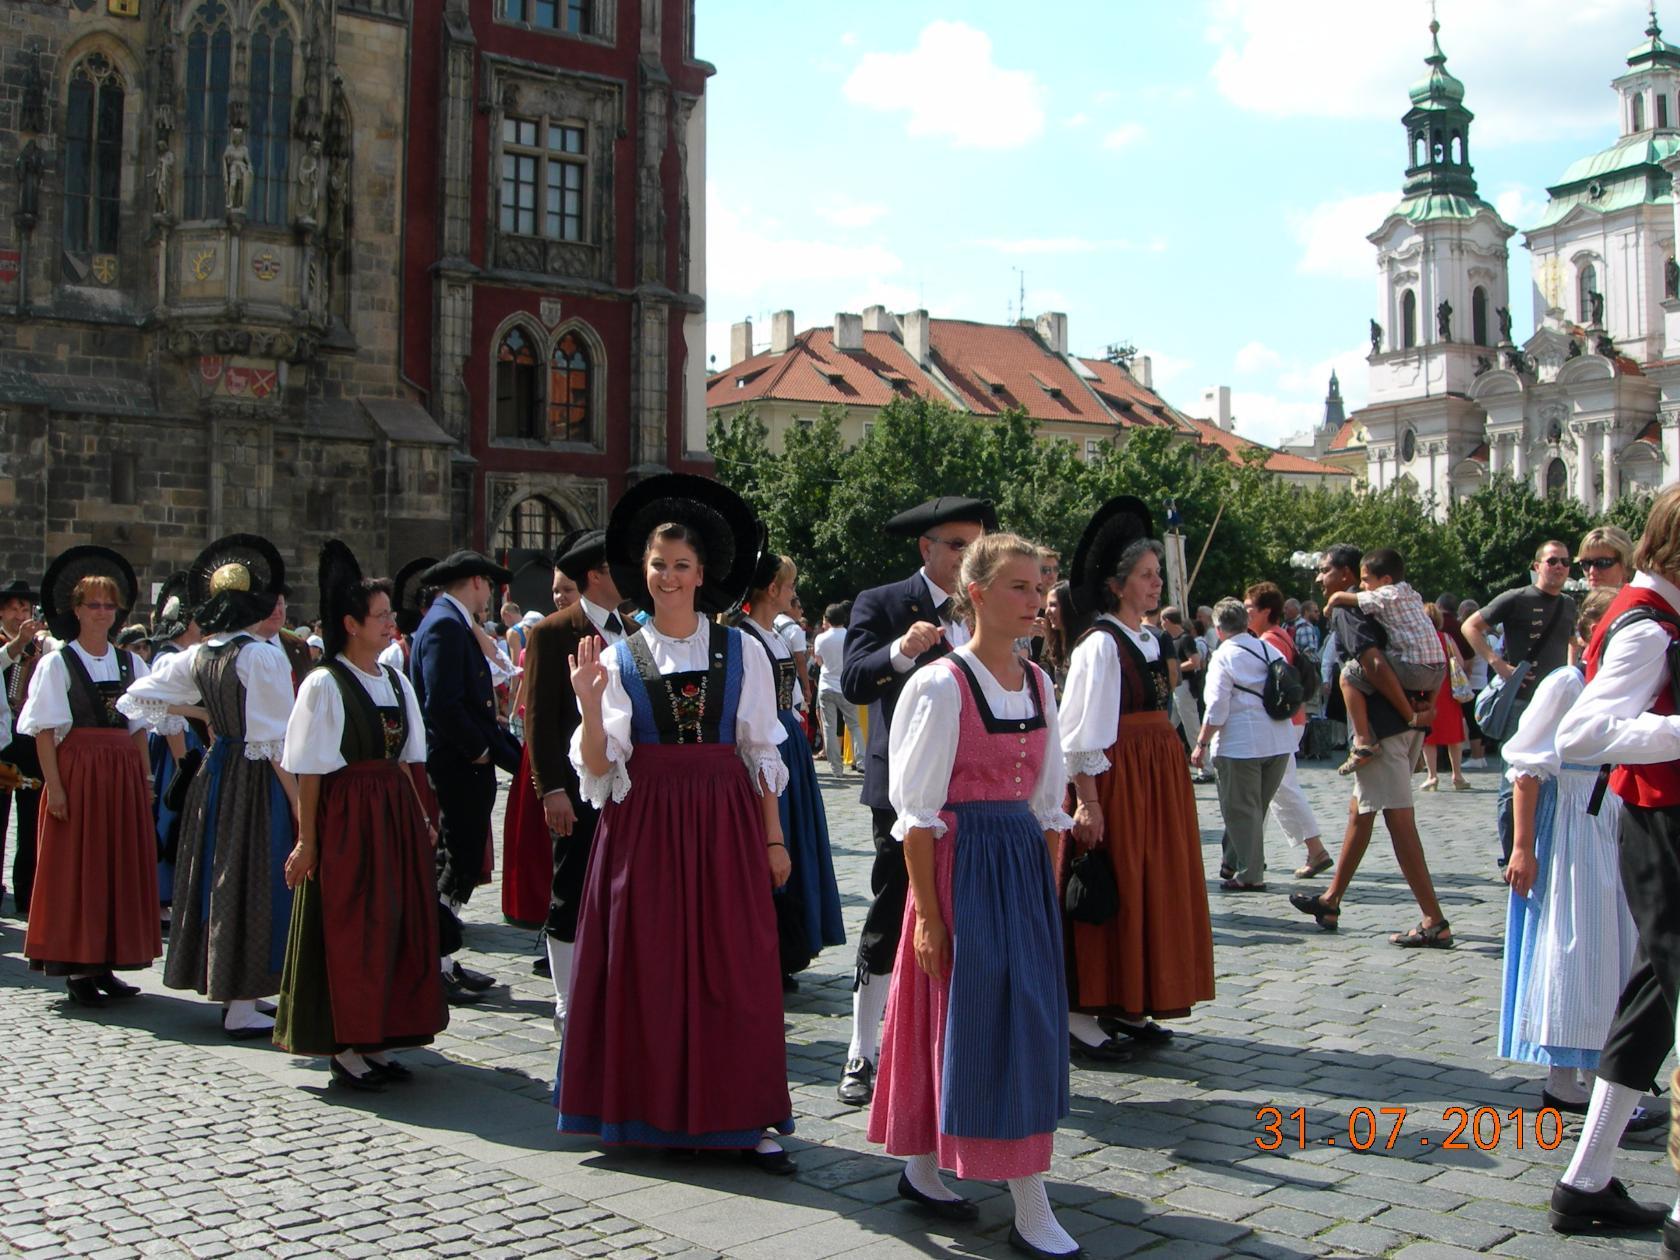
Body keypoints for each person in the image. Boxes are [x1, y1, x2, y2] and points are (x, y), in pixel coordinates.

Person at [557, 472, 795, 1171]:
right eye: (658, 564)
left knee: (736, 970)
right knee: (650, 969)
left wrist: (773, 836)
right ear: (644, 569)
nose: (666, 576)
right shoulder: (619, 655)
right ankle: (647, 1113)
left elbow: (759, 751)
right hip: (646, 828)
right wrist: (590, 703)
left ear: (703, 574)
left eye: (680, 566)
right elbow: (600, 769)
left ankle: (744, 1116)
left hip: (724, 821)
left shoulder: (741, 649)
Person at [867, 533, 1077, 1258]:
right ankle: (1027, 1200)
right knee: (967, 1017)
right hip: (958, 871)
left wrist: (1042, 893)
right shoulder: (940, 684)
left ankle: (924, 1171)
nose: (1036, 601)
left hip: (1017, 866)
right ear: (977, 593)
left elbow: (1050, 803)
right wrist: (926, 914)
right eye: (1020, 587)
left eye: (1040, 587)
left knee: (1017, 1021)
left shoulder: (1042, 683)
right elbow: (916, 813)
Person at [1547, 487, 1680, 1245]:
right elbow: (1582, 733)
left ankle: (1586, 1180)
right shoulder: (1647, 626)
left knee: (1654, 1005)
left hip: (1663, 824)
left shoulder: (1654, 615)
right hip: (1663, 830)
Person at [836, 495, 996, 1106]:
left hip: (974, 788)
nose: (967, 554)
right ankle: (862, 1050)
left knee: (966, 913)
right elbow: (853, 679)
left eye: (975, 543)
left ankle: (957, 1044)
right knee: (895, 906)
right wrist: (901, 650)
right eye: (957, 544)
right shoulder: (882, 602)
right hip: (904, 785)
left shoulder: (983, 604)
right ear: (926, 549)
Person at [273, 541, 447, 1091]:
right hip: (347, 820)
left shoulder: (394, 680)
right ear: (350, 623)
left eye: (391, 615)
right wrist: (308, 841)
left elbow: (407, 759)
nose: (390, 624)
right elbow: (308, 769)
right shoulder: (326, 683)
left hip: (391, 818)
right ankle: (345, 1047)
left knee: (392, 925)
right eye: (381, 617)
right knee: (353, 928)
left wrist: (422, 814)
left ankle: (376, 1036)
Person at [120, 534, 299, 1037]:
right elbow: (275, 741)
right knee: (254, 877)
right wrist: (300, 802)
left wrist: (203, 712)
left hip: (217, 774)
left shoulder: (200, 654)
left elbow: (136, 697)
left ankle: (245, 993)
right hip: (255, 779)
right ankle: (241, 1001)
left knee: (223, 878)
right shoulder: (260, 656)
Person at [1061, 497, 1213, 1052]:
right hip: (1118, 783)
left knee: (1151, 888)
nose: (1156, 585)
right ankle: (1083, 1008)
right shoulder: (1100, 645)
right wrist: (1089, 801)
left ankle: (1130, 1001)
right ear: (1119, 584)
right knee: (1116, 885)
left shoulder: (1148, 639)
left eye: (1157, 575)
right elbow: (1079, 734)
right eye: (1147, 577)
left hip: (1154, 782)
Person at [1498, 588, 1654, 1125]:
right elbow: (1525, 767)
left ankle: (1593, 1080)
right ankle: (1570, 1080)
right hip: (1573, 825)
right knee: (1577, 946)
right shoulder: (1567, 684)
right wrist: (1521, 848)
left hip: (1613, 820)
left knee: (1613, 947)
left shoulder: (1625, 686)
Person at [1290, 544, 1452, 947]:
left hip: (1385, 731)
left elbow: (1373, 663)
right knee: (1359, 811)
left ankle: (1434, 919)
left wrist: (1408, 714)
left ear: (1347, 575)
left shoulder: (1348, 608)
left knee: (1399, 821)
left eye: (1326, 570)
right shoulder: (1392, 602)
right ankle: (1331, 899)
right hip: (1402, 725)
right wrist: (1419, 710)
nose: (1320, 578)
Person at [18, 547, 160, 1004]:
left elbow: (138, 728)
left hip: (120, 775)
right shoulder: (57, 663)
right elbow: (43, 732)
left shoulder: (131, 663)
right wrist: (55, 788)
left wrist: (144, 779)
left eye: (109, 605)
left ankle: (107, 960)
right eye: (93, 605)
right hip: (78, 772)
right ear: (76, 610)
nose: (102, 613)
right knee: (79, 868)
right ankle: (78, 968)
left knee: (116, 865)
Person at [520, 529, 627, 1032]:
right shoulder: (554, 630)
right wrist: (552, 789)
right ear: (596, 575)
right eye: (617, 566)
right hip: (576, 784)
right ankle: (565, 1000)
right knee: (570, 884)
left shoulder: (630, 627)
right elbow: (538, 718)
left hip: (624, 785)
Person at [409, 550, 522, 1003]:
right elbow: (442, 703)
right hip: (457, 762)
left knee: (460, 857)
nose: (490, 594)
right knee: (456, 858)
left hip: (463, 759)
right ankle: (436, 960)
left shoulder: (451, 620)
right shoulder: (444, 624)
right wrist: (477, 749)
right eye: (488, 585)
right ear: (475, 582)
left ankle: (444, 958)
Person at [739, 550, 846, 987]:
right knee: (773, 840)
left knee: (797, 840)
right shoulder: (744, 636)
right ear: (772, 589)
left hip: (789, 746)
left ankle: (789, 945)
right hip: (766, 745)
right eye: (789, 586)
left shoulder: (774, 634)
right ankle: (767, 950)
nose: (793, 593)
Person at [1464, 540, 1579, 866]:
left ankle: (1541, 848)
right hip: (1521, 702)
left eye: (1565, 563)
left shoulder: (1569, 604)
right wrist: (1498, 664)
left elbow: (1572, 642)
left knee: (1552, 778)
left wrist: (1572, 676)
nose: (1559, 567)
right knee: (1511, 780)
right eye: (1552, 561)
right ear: (1537, 565)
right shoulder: (1516, 598)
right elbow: (1470, 626)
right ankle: (1510, 855)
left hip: (1557, 705)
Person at [1194, 596, 1298, 891]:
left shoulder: (1224, 655)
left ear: (1218, 627)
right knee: (1254, 808)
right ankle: (1231, 860)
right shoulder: (1268, 649)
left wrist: (1201, 743)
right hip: (1279, 740)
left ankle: (1250, 874)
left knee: (1241, 808)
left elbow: (1216, 707)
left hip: (1241, 744)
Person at [1324, 548, 1445, 773]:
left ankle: (1363, 741)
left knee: (1350, 674)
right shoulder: (1412, 594)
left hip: (1414, 669)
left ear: (1386, 580)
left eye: (1366, 580)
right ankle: (1421, 719)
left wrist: (1330, 605)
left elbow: (1343, 597)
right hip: (1437, 670)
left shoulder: (1386, 594)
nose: (1362, 586)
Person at [1242, 583, 1333, 878]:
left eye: (1249, 608)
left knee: (1279, 788)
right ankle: (1252, 852)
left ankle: (1315, 850)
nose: (1246, 613)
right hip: (1289, 721)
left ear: (1265, 611)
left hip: (1281, 723)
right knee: (1266, 789)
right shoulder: (1279, 636)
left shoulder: (1270, 641)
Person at [146, 575, 204, 930]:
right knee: (171, 814)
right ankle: (161, 893)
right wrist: (183, 762)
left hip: (187, 745)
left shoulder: (183, 656)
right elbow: (164, 711)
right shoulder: (169, 660)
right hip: (176, 749)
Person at [0, 578, 46, 916]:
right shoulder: (6, 645)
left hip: (30, 742)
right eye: (14, 609)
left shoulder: (43, 648)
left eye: (25, 609)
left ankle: (28, 892)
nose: (20, 614)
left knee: (32, 819)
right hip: (3, 745)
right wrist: (20, 642)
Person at [1420, 604, 1472, 792]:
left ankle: (1432, 776)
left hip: (1427, 689)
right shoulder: (1447, 638)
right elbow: (1459, 661)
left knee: (1428, 736)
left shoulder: (1421, 640)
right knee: (1454, 736)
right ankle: (1457, 775)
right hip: (1448, 689)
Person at [812, 602, 863, 776]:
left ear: (827, 619)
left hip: (826, 685)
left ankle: (836, 768)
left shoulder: (821, 638)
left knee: (829, 727)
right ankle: (861, 761)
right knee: (854, 725)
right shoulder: (850, 636)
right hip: (846, 685)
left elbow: (818, 662)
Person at [1458, 597, 1491, 768]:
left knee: (1472, 722)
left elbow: (1468, 664)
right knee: (1478, 721)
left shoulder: (1469, 637)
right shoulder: (1485, 635)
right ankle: (1480, 755)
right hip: (1483, 681)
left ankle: (1477, 756)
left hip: (1472, 683)